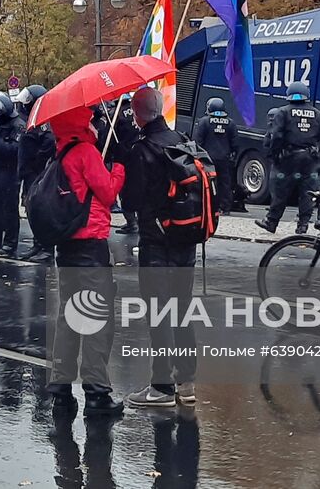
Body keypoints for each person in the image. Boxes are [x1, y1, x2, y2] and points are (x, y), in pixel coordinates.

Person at [46, 105, 127, 418]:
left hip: (66, 246)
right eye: (92, 119)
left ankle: (61, 388)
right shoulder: (85, 152)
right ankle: (96, 393)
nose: (96, 123)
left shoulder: (60, 152)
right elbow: (107, 193)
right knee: (96, 320)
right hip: (90, 245)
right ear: (82, 123)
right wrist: (118, 166)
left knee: (69, 317)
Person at [123, 86, 195, 409]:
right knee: (182, 310)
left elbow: (133, 200)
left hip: (156, 243)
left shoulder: (143, 149)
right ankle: (187, 383)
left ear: (138, 115)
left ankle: (161, 386)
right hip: (186, 242)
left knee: (159, 314)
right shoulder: (183, 142)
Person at [256, 82, 320, 235]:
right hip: (309, 158)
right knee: (307, 191)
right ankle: (303, 225)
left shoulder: (283, 112)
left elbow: (277, 135)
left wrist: (275, 154)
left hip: (289, 157)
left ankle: (271, 222)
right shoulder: (316, 113)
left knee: (281, 190)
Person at [15, 85, 55, 262]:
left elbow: (49, 144)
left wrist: (35, 163)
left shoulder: (45, 122)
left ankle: (46, 248)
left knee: (40, 210)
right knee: (31, 210)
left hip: (38, 173)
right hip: (28, 172)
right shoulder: (33, 118)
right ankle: (37, 244)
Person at [0, 94, 26, 257]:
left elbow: (14, 150)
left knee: (9, 209)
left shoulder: (18, 126)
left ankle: (9, 243)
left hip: (10, 172)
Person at [195, 97, 241, 214]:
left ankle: (207, 206)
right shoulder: (231, 123)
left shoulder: (204, 121)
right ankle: (225, 208)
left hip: (207, 159)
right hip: (224, 159)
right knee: (225, 183)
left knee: (206, 183)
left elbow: (198, 141)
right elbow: (235, 144)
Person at [111, 94, 142, 234]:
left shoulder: (116, 114)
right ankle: (138, 222)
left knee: (123, 190)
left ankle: (132, 223)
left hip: (123, 156)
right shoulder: (137, 109)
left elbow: (109, 136)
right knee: (138, 188)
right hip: (140, 153)